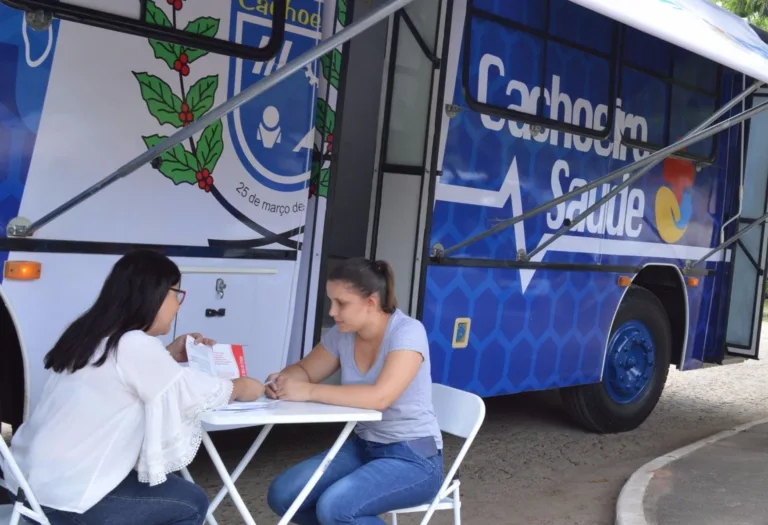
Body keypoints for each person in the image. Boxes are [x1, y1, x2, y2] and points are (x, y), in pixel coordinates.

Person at [2, 249, 265, 525]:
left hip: (29, 486)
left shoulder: (90, 332)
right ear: (154, 294)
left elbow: (126, 377)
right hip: (69, 499)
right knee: (191, 502)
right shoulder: (133, 344)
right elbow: (191, 392)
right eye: (177, 293)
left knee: (162, 485)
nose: (178, 304)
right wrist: (240, 386)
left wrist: (167, 355)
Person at [265, 257, 443, 525]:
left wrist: (308, 391)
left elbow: (379, 397)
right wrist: (283, 381)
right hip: (363, 445)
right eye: (331, 302)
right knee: (283, 496)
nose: (332, 312)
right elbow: (305, 370)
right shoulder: (343, 333)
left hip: (414, 457)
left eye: (341, 304)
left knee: (335, 509)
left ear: (371, 302)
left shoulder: (408, 331)